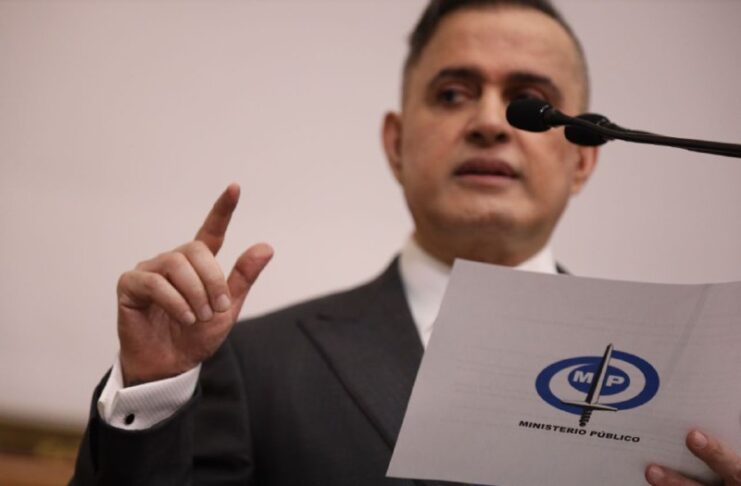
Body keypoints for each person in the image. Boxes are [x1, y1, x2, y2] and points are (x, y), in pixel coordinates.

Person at [70, 1, 741, 485]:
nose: (489, 122)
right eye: (452, 94)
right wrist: (153, 390)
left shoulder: (689, 389)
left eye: (529, 101)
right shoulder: (249, 366)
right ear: (396, 143)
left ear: (583, 159)